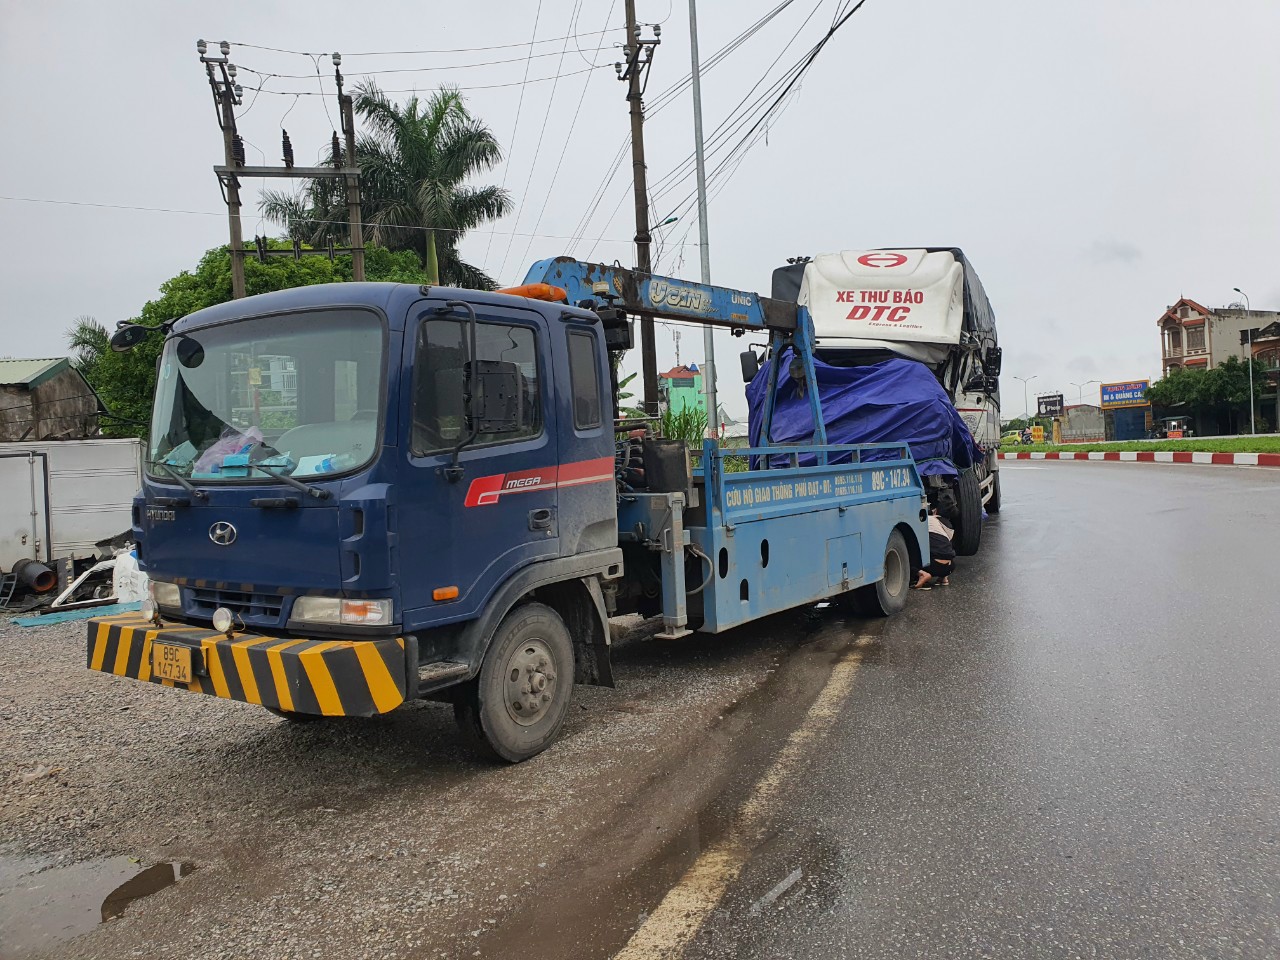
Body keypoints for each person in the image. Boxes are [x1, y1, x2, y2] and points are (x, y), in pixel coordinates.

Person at [914, 507, 956, 589]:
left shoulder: (926, 520)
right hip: (950, 567)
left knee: (909, 556)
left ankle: (922, 574)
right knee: (944, 549)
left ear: (935, 512)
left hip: (933, 566)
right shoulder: (948, 526)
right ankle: (944, 578)